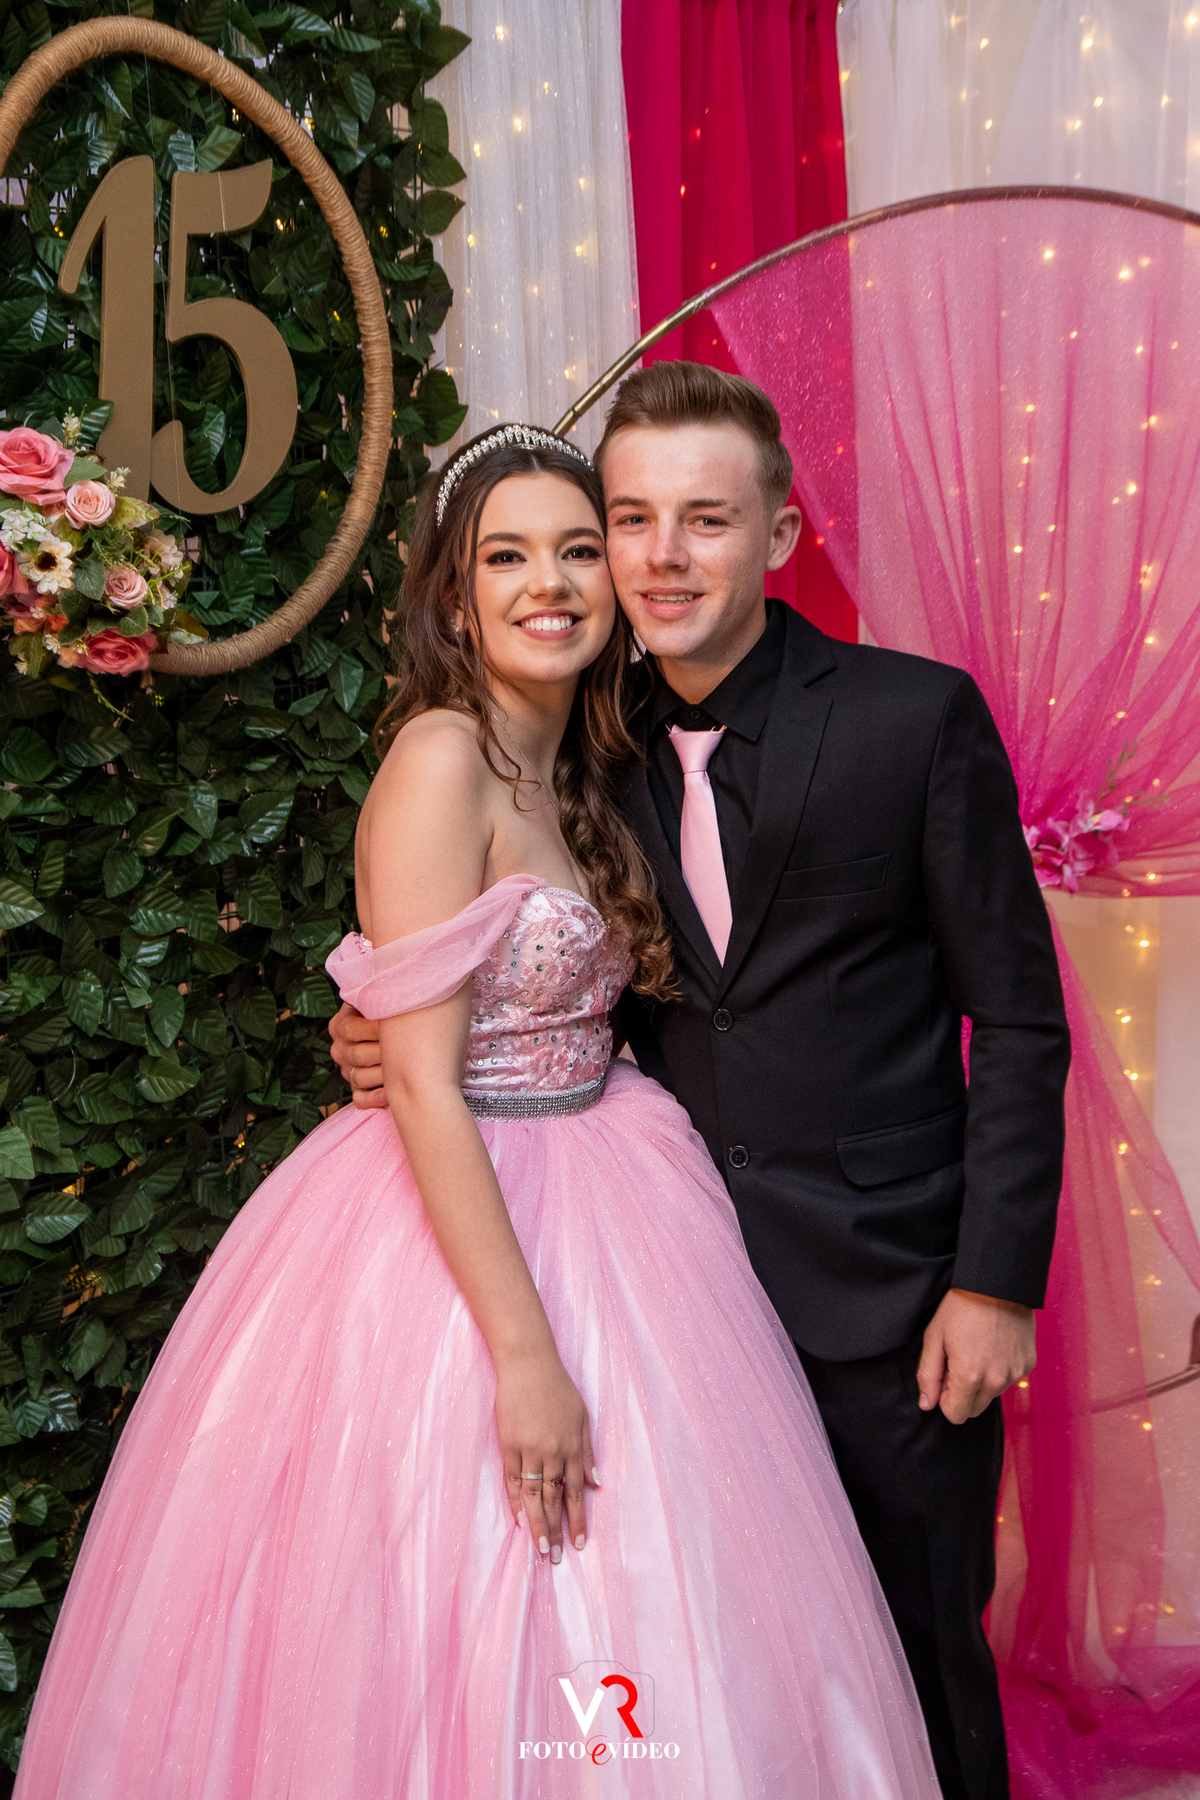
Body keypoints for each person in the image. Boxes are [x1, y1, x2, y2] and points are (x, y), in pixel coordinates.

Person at [14, 424, 942, 1800]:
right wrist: (524, 1356)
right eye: (506, 557)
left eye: (578, 551)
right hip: (458, 1216)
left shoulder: (583, 762)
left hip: (618, 1171)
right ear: (453, 598)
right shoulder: (443, 757)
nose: (550, 584)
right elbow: (427, 1080)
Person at [332, 365, 1071, 1800]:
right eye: (632, 520)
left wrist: (995, 1283)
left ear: (780, 534)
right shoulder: (577, 733)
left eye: (706, 520)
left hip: (894, 1297)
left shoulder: (913, 719)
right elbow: (498, 953)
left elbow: (1023, 1020)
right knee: (715, 1677)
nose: (661, 558)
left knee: (922, 1663)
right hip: (674, 1290)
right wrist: (379, 1035)